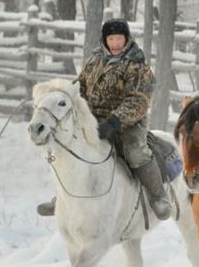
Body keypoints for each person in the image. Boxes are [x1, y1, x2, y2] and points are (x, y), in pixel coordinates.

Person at [37, 18, 172, 220]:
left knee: (135, 152)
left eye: (119, 39)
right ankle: (62, 198)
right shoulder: (95, 60)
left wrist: (114, 122)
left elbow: (139, 100)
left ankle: (159, 196)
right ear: (105, 40)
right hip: (92, 118)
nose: (115, 43)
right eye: (111, 39)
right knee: (71, 148)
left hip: (127, 122)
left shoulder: (136, 65)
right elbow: (79, 85)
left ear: (126, 39)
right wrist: (63, 97)